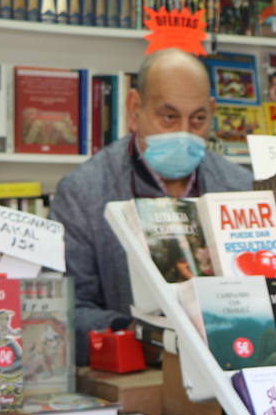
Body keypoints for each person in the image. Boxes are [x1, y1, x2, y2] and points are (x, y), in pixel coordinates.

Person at [50, 48, 251, 363]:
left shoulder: (240, 187)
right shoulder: (83, 192)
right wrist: (138, 334)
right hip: (136, 376)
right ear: (134, 109)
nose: (184, 134)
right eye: (169, 117)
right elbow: (65, 311)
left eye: (198, 119)